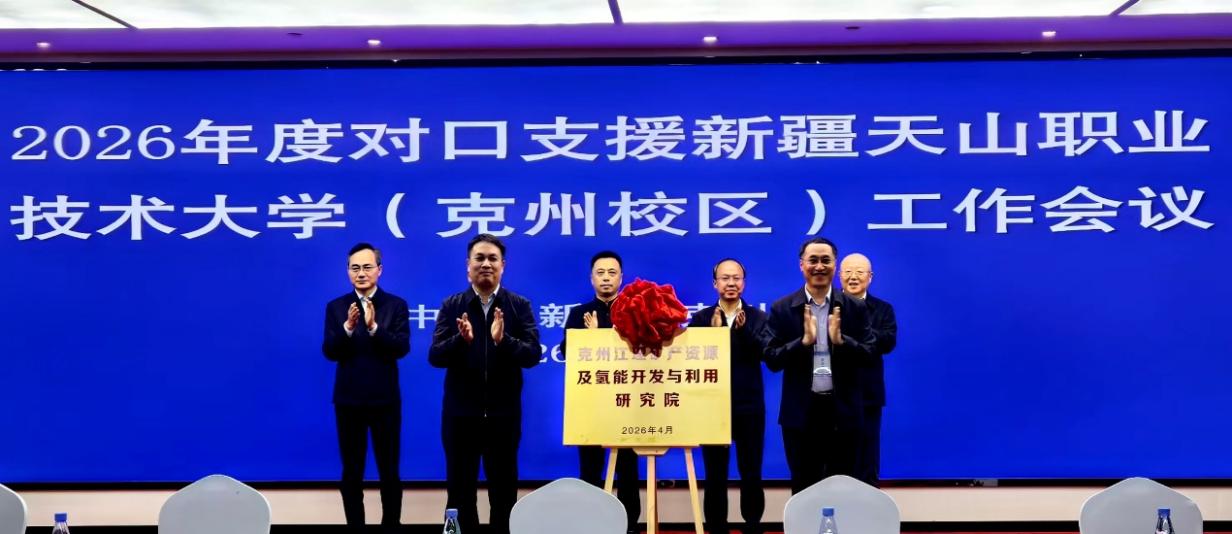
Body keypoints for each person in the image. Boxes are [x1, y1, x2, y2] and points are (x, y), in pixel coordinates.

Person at [429, 234, 541, 534]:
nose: (486, 264)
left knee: (503, 494)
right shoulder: (452, 305)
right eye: (479, 258)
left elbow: (532, 355)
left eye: (493, 258)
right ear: (468, 265)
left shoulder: (518, 306)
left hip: (503, 418)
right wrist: (461, 340)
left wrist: (504, 340)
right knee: (459, 493)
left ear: (503, 265)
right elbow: (435, 356)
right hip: (460, 417)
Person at [764, 237, 875, 493]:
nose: (819, 266)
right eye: (813, 260)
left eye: (826, 260)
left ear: (835, 265)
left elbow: (870, 355)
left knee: (843, 488)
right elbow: (771, 359)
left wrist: (843, 341)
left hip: (843, 412)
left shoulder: (854, 308)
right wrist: (802, 342)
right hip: (801, 413)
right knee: (804, 488)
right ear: (801, 265)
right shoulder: (783, 308)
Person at [322, 242, 411, 532]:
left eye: (367, 267)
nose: (361, 273)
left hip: (385, 401)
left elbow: (400, 348)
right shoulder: (336, 307)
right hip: (348, 401)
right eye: (355, 268)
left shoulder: (396, 305)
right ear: (348, 272)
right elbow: (330, 351)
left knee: (389, 471)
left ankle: (391, 526)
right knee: (351, 472)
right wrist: (348, 327)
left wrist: (374, 328)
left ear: (379, 270)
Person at [560, 250, 642, 534]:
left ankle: (629, 525)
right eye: (600, 273)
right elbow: (567, 352)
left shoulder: (634, 311)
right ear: (591, 278)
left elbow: (642, 352)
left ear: (621, 277)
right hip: (591, 405)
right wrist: (589, 338)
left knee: (628, 469)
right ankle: (591, 524)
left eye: (612, 272)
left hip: (627, 401)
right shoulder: (579, 314)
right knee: (590, 469)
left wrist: (603, 336)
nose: (606, 278)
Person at [687, 258, 768, 534]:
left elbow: (768, 355)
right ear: (715, 283)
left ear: (743, 283)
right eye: (725, 278)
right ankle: (717, 527)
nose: (731, 283)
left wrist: (744, 334)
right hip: (712, 407)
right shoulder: (701, 319)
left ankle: (753, 525)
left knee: (751, 471)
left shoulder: (758, 318)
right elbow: (693, 361)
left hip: (749, 406)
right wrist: (714, 336)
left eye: (736, 278)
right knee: (715, 473)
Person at [840, 253, 898, 487]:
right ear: (839, 276)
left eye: (859, 272)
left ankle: (868, 505)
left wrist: (850, 333)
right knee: (835, 457)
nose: (853, 277)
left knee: (867, 455)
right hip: (832, 395)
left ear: (870, 277)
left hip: (868, 395)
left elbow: (887, 342)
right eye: (848, 272)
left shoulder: (883, 309)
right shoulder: (826, 306)